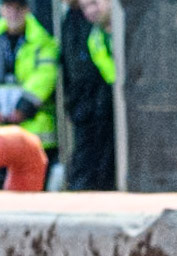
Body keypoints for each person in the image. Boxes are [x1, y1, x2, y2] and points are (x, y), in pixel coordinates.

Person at [0, 0, 59, 168]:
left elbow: (45, 75)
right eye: (9, 7)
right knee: (1, 180)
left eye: (19, 8)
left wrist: (24, 107)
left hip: (33, 129)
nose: (13, 13)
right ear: (1, 10)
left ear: (27, 10)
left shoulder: (42, 39)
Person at [60, 0, 115, 191]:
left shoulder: (114, 27)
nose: (90, 10)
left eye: (93, 3)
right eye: (86, 7)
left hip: (107, 104)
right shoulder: (93, 34)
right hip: (91, 105)